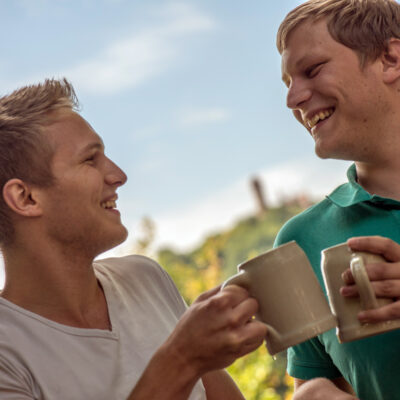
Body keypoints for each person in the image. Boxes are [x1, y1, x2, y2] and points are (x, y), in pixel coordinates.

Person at [0, 78, 268, 400]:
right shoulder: (7, 351)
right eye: (90, 159)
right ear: (26, 197)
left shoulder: (144, 278)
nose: (118, 175)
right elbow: (182, 362)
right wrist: (180, 360)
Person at [274, 0, 400, 399]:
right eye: (288, 82)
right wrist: (312, 394)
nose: (293, 99)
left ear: (391, 58)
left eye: (311, 70)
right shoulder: (297, 242)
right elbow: (321, 384)